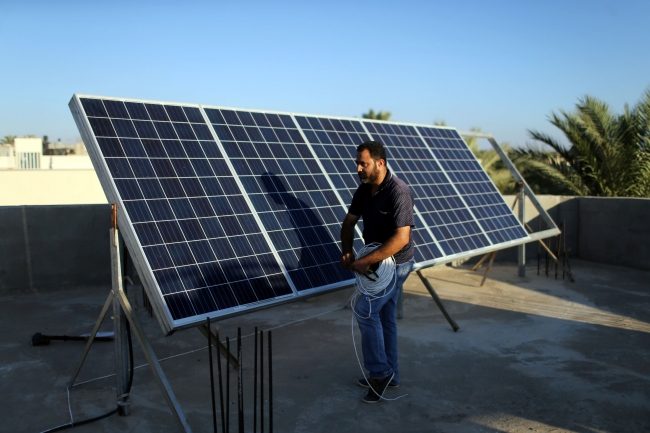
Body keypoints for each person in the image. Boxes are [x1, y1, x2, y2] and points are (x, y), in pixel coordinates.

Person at [340, 140, 415, 404]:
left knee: (364, 309)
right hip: (376, 262)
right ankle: (391, 374)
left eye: (364, 163)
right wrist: (348, 250)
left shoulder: (399, 192)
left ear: (380, 163)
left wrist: (367, 261)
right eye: (357, 163)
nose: (358, 168)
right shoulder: (363, 191)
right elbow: (349, 222)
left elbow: (401, 238)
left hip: (398, 265)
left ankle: (380, 372)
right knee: (384, 318)